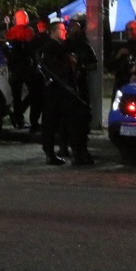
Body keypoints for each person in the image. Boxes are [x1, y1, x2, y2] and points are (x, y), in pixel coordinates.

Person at [36, 20, 94, 166]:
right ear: (53, 31)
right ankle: (55, 153)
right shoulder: (51, 48)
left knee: (64, 121)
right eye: (61, 29)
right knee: (54, 122)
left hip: (63, 91)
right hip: (57, 91)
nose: (64, 32)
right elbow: (56, 69)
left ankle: (71, 152)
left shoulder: (58, 47)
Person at [58, 19, 99, 160]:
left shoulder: (84, 47)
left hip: (80, 87)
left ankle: (79, 149)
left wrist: (81, 67)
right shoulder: (64, 46)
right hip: (66, 87)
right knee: (65, 118)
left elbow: (93, 64)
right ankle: (65, 147)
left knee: (81, 118)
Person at [3, 10, 37, 129]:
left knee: (16, 94)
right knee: (34, 91)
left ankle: (18, 118)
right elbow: (32, 50)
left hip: (14, 67)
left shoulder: (10, 32)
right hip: (26, 66)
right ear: (25, 18)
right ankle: (20, 114)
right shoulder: (28, 32)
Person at [27, 18, 51, 133]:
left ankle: (34, 123)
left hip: (35, 74)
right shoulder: (47, 40)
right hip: (44, 74)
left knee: (35, 100)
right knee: (44, 100)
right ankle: (42, 123)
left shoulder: (34, 39)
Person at [110, 20, 136, 99]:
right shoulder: (120, 47)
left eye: (131, 29)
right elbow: (110, 65)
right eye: (127, 29)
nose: (129, 32)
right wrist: (118, 55)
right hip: (121, 84)